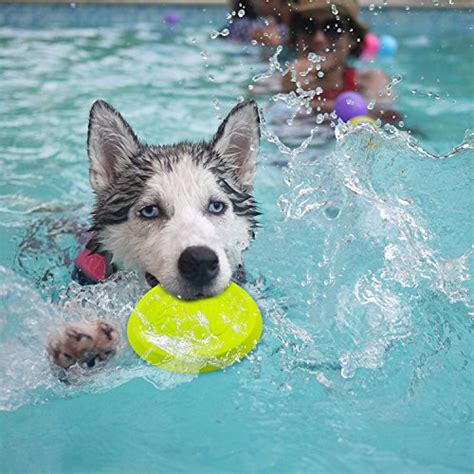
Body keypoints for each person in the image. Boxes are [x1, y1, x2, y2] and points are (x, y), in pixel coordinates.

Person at [283, 0, 399, 121]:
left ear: (352, 39)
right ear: (296, 37)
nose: (319, 39)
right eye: (307, 27)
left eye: (333, 28)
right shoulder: (280, 83)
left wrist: (299, 105)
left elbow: (388, 120)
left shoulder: (369, 81)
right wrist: (287, 90)